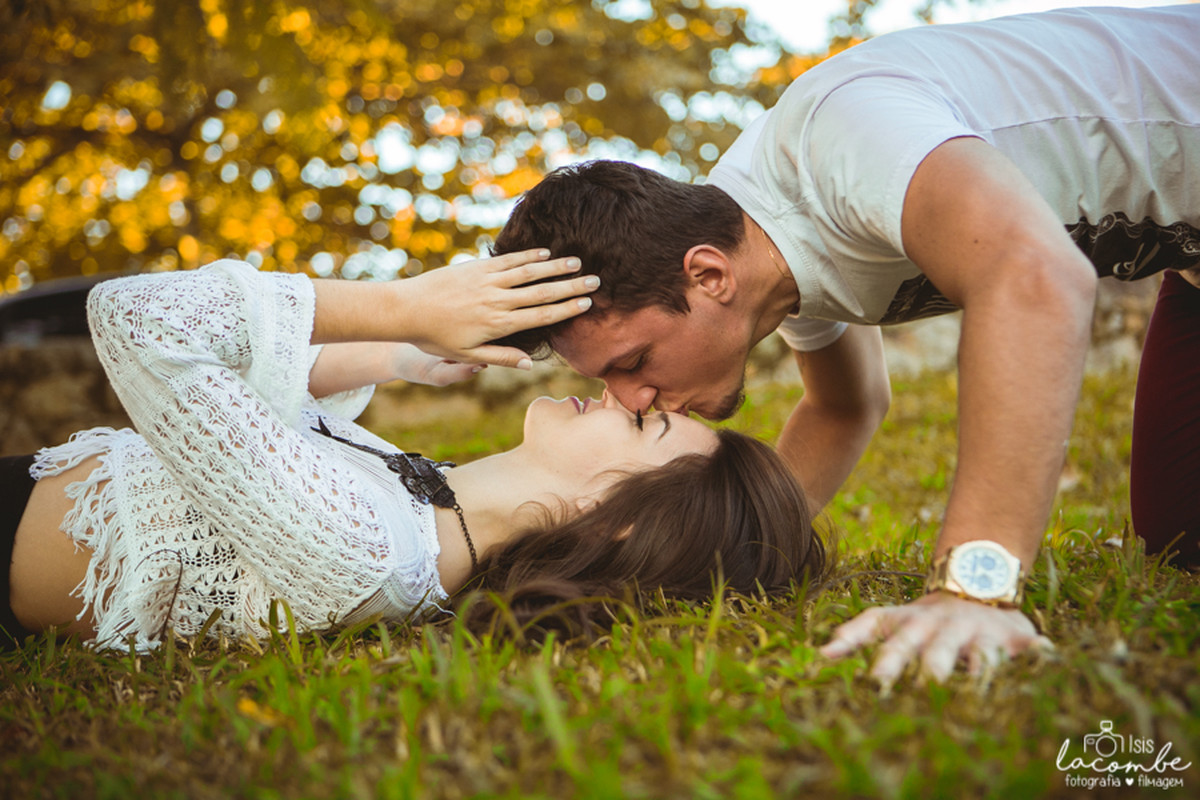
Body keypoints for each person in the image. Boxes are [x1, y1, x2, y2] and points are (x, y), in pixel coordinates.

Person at [490, 5, 1200, 685]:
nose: (630, 401)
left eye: (633, 362)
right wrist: (716, 547)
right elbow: (845, 405)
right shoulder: (767, 261)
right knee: (1181, 539)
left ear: (707, 275)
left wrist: (973, 588)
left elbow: (1037, 275)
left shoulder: (842, 139)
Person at [1, 252, 826, 651]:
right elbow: (245, 422)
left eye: (646, 424)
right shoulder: (422, 513)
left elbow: (137, 320)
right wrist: (400, 356)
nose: (621, 393)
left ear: (613, 522)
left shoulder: (366, 555)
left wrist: (402, 305)